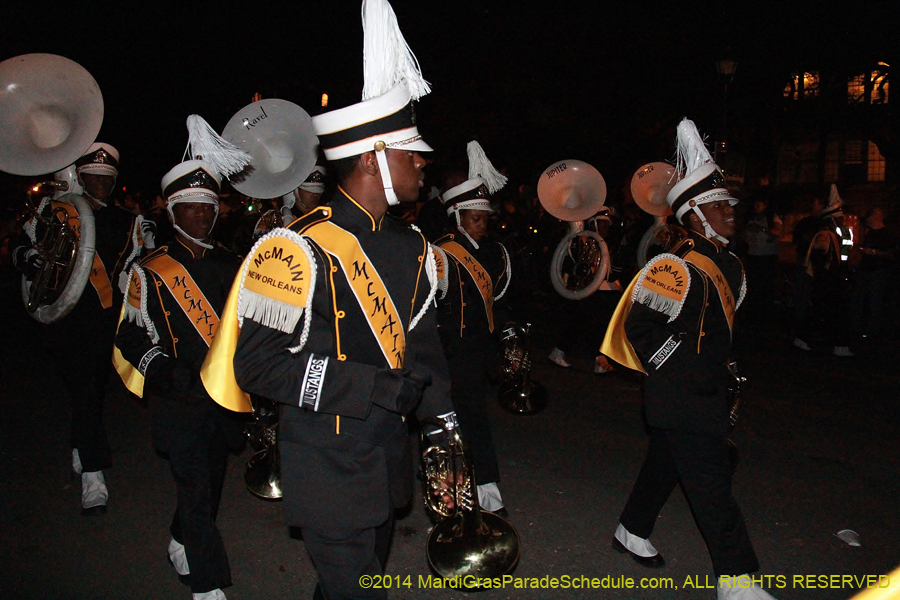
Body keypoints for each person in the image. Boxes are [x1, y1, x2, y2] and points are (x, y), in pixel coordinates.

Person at [202, 2, 457, 598]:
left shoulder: (413, 246)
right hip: (326, 462)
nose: (422, 162)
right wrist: (368, 387)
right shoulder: (293, 249)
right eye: (409, 151)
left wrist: (445, 426)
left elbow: (421, 349)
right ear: (372, 159)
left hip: (386, 458)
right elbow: (257, 364)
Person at [602, 119, 777, 600]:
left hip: (706, 390)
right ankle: (738, 581)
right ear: (695, 215)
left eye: (729, 207)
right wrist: (682, 368)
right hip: (681, 395)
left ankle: (631, 529)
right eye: (720, 208)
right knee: (713, 490)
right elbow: (641, 330)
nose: (730, 215)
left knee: (666, 464)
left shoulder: (731, 263)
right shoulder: (672, 265)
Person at [113, 120, 250, 600]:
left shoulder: (231, 265)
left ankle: (180, 538)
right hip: (179, 400)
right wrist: (164, 370)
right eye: (192, 208)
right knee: (195, 488)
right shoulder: (149, 272)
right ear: (173, 211)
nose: (203, 216)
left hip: (222, 398)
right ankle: (207, 584)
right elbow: (129, 337)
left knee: (209, 487)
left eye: (209, 207)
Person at [12, 143, 150, 515]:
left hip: (106, 320)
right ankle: (93, 472)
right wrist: (29, 256)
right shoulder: (59, 211)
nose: (101, 184)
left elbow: (137, 268)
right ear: (80, 176)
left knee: (92, 391)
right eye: (93, 176)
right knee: (85, 390)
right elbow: (20, 247)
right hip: (67, 321)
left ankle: (80, 443)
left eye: (107, 178)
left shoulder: (126, 221)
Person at [435, 140, 512, 517]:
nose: (483, 225)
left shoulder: (495, 253)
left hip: (480, 350)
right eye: (475, 219)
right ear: (457, 217)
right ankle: (479, 489)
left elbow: (500, 302)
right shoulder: (441, 253)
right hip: (450, 353)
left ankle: (476, 487)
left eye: (485, 219)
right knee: (462, 422)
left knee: (471, 419)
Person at [792, 185, 854, 357]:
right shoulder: (824, 235)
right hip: (827, 282)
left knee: (822, 312)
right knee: (828, 312)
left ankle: (806, 339)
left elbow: (844, 256)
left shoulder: (838, 234)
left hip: (832, 281)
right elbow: (820, 259)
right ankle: (836, 344)